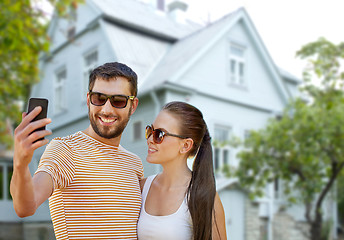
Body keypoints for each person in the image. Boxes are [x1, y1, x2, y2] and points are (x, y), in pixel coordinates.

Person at [10, 62, 143, 239]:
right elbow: (25, 206)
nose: (106, 109)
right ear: (89, 100)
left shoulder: (134, 163)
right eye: (99, 98)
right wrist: (20, 164)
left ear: (133, 106)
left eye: (118, 101)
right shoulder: (65, 149)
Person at [137, 101, 227, 240]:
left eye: (159, 134)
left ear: (185, 145)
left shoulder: (203, 197)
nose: (150, 139)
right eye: (150, 131)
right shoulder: (142, 188)